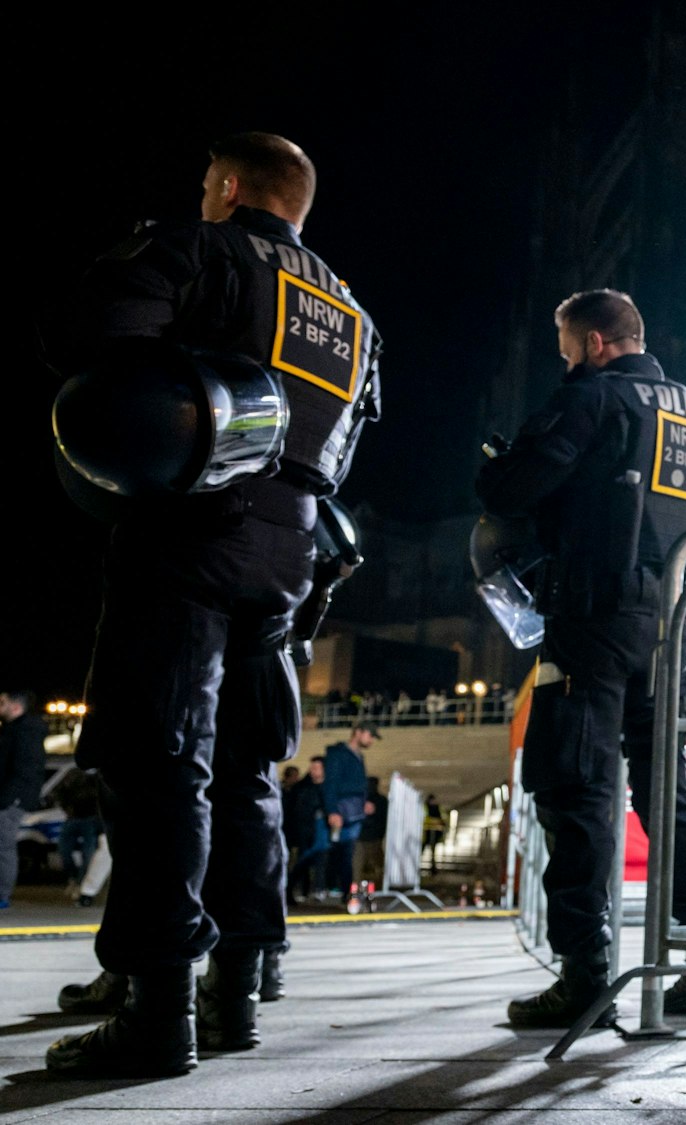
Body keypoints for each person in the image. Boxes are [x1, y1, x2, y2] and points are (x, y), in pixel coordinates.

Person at [45, 133, 382, 1077]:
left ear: (230, 188)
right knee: (243, 772)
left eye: (207, 185)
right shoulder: (351, 313)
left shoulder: (203, 250)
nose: (203, 196)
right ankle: (234, 992)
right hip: (288, 556)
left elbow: (88, 335)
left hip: (189, 531)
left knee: (156, 761)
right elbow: (348, 444)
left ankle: (155, 1007)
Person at [476, 289, 686, 1028]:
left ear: (592, 343)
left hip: (595, 614)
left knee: (576, 788)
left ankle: (584, 973)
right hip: (676, 625)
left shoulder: (593, 398)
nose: (564, 361)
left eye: (565, 348)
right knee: (667, 796)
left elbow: (510, 484)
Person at [1, 690, 49, 910]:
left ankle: (2, 895)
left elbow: (25, 770)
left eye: (3, 702)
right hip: (11, 797)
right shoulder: (15, 730)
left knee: (3, 846)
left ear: (16, 707)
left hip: (11, 800)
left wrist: (9, 799)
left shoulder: (25, 731)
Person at [320, 727, 374, 904]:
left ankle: (346, 891)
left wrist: (364, 801)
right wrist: (332, 810)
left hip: (355, 811)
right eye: (370, 735)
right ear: (358, 732)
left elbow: (359, 785)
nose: (371, 740)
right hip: (343, 811)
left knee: (347, 852)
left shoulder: (359, 756)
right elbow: (331, 784)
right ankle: (343, 890)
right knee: (343, 852)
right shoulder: (338, 755)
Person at [53, 765, 107, 903]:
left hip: (92, 819)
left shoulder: (100, 777)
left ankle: (84, 889)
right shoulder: (75, 774)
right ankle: (79, 884)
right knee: (64, 850)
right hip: (74, 817)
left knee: (91, 853)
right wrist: (67, 808)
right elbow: (59, 792)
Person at [283, 758, 327, 903]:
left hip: (320, 830)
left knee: (317, 860)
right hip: (307, 831)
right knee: (305, 861)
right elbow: (298, 811)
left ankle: (316, 889)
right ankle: (298, 889)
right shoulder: (303, 788)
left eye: (316, 767)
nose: (312, 770)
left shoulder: (327, 786)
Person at [357, 775, 388, 887]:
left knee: (361, 865)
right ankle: (376, 885)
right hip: (372, 837)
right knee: (375, 864)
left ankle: (360, 887)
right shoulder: (382, 800)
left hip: (365, 837)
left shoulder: (361, 799)